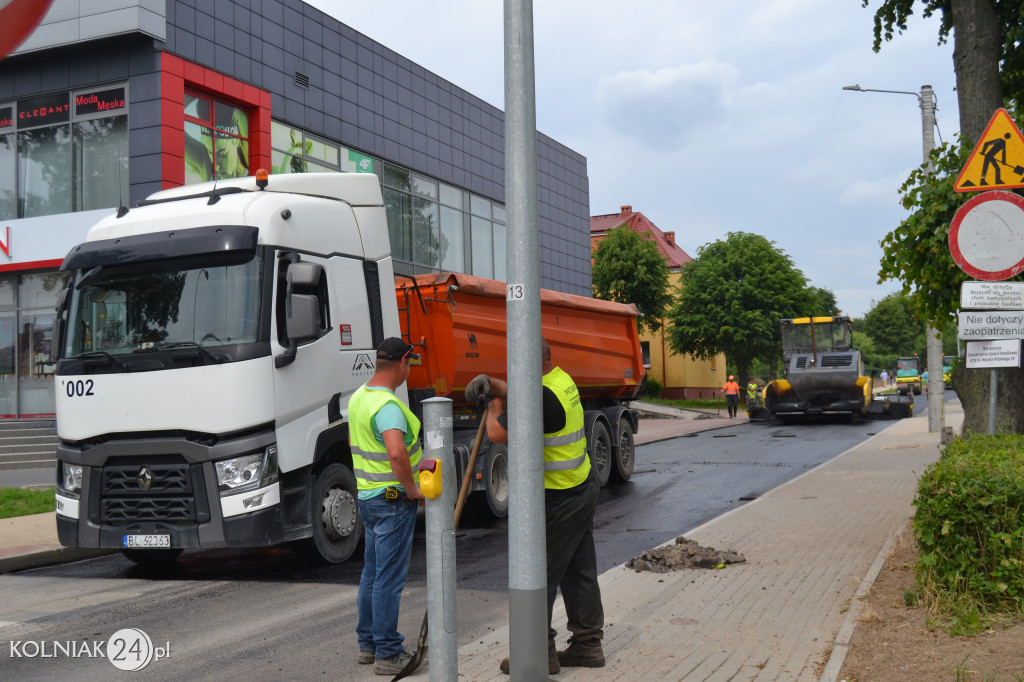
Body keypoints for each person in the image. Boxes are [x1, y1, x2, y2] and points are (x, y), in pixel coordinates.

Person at [465, 338, 605, 675]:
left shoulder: (540, 396)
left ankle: (538, 653)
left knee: (537, 574)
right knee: (578, 570)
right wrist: (492, 382)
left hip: (562, 498)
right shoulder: (559, 380)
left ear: (529, 363)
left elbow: (498, 432)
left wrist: (495, 402)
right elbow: (521, 388)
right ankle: (588, 645)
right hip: (581, 487)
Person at [348, 337, 426, 676]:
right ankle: (388, 652)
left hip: (368, 497)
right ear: (403, 363)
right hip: (392, 498)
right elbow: (395, 452)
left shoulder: (359, 397)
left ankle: (368, 645)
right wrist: (411, 489)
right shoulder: (388, 406)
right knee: (389, 580)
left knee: (372, 574)